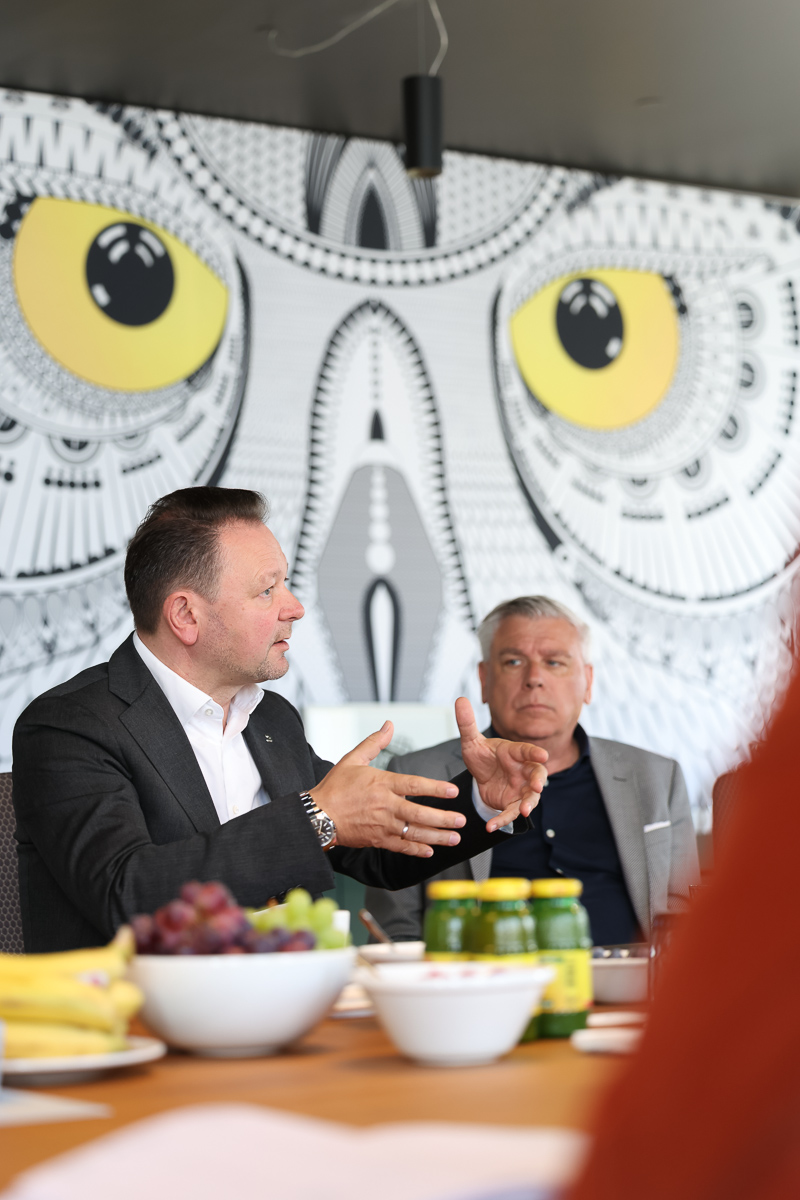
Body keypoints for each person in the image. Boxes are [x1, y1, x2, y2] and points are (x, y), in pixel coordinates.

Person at [12, 488, 547, 952]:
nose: (294, 608)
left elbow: (376, 850)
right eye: (267, 590)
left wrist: (480, 798)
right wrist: (317, 817)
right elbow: (126, 893)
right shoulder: (69, 727)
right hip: (137, 1022)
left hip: (291, 1008)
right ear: (186, 616)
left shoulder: (271, 718)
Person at [366, 596, 699, 947]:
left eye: (554, 662)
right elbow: (395, 931)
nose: (535, 678)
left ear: (587, 682)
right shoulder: (417, 774)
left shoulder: (657, 777)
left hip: (629, 976)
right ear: (484, 679)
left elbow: (687, 917)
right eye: (513, 661)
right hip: (482, 977)